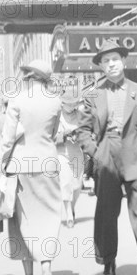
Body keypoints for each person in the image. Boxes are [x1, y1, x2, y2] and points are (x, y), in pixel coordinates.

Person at [77, 40, 137, 275]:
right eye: (105, 60)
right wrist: (97, 153)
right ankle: (108, 263)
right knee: (106, 214)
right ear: (101, 66)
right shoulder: (92, 94)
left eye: (115, 58)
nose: (111, 64)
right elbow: (82, 131)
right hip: (107, 160)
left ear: (124, 61)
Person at [0, 59, 62, 275]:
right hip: (47, 162)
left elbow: (7, 139)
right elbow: (54, 133)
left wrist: (3, 166)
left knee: (22, 220)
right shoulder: (55, 101)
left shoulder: (17, 100)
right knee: (47, 215)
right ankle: (46, 271)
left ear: (27, 77)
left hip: (21, 164)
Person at [56, 87, 85, 228]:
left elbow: (87, 131)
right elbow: (49, 136)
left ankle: (72, 207)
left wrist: (78, 135)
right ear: (63, 103)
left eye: (74, 103)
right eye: (69, 104)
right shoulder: (56, 116)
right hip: (62, 153)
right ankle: (68, 214)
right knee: (65, 183)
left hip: (77, 152)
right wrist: (64, 135)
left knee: (77, 185)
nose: (72, 106)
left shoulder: (80, 115)